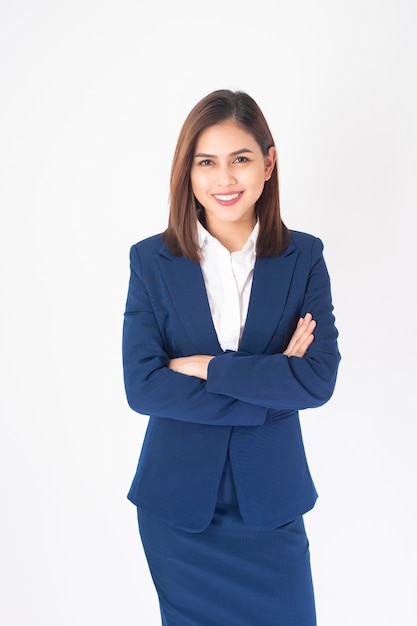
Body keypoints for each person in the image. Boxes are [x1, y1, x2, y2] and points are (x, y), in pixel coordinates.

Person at [122, 89, 341, 626]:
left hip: (271, 506)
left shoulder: (303, 256)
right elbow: (144, 387)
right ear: (188, 172)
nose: (225, 179)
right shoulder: (152, 260)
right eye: (207, 162)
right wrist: (269, 388)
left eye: (240, 159)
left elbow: (316, 381)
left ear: (268, 163)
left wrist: (209, 368)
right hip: (177, 511)